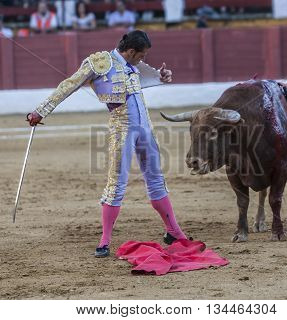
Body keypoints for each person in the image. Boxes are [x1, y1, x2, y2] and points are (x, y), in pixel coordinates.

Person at [26, 30, 188, 258]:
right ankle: (105, 240)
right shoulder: (99, 63)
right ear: (131, 51)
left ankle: (174, 231)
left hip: (146, 128)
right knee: (116, 185)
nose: (142, 60)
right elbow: (69, 85)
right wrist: (41, 111)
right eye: (141, 56)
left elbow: (143, 77)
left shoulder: (133, 64)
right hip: (121, 129)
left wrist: (160, 76)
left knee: (156, 180)